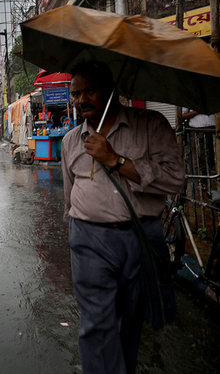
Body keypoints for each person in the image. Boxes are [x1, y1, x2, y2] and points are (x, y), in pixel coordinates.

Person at [61, 61, 184, 374]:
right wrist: (74, 230)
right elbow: (69, 192)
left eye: (89, 91)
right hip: (88, 238)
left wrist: (114, 159)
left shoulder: (150, 125)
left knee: (130, 323)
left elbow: (174, 180)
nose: (81, 100)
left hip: (140, 237)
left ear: (110, 90)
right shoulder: (72, 141)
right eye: (76, 93)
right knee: (98, 326)